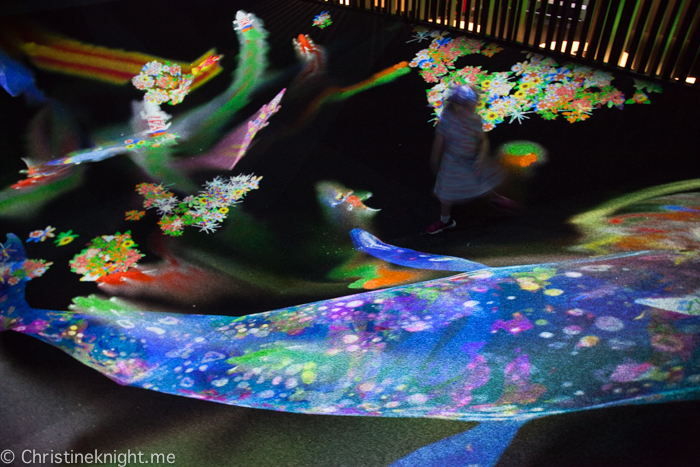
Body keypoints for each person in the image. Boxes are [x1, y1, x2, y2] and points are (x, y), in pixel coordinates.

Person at [426, 84, 507, 234]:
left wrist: (481, 157)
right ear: (458, 105)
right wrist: (434, 159)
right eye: (469, 106)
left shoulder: (474, 120)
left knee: (482, 182)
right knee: (446, 194)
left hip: (472, 159)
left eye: (474, 106)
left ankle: (495, 200)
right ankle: (445, 221)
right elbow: (439, 141)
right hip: (453, 162)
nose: (472, 109)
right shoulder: (447, 120)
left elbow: (483, 140)